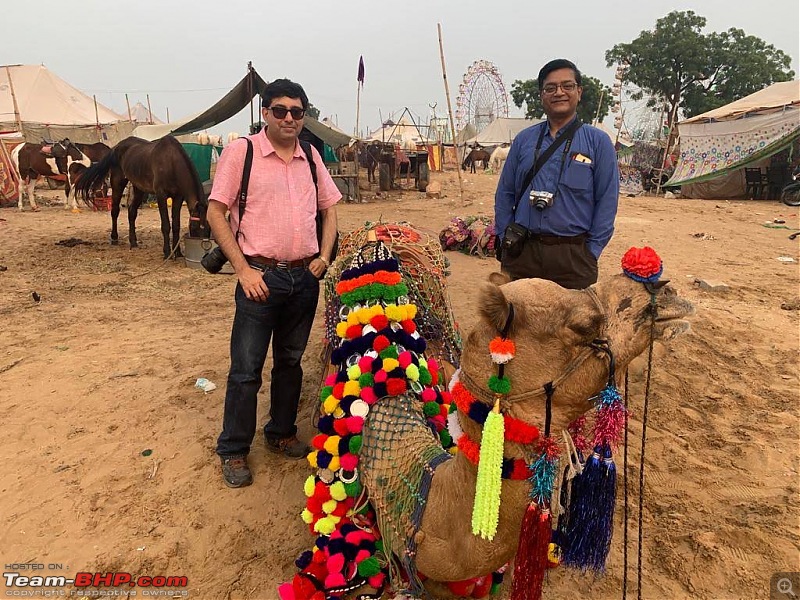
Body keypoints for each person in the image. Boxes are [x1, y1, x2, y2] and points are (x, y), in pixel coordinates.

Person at [208, 79, 341, 488]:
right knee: (246, 369)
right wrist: (243, 270)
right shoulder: (241, 152)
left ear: (304, 117)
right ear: (265, 112)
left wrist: (322, 257)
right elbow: (216, 213)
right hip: (258, 278)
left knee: (289, 362)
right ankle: (233, 450)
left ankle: (281, 433)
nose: (288, 118)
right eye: (280, 110)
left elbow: (330, 211)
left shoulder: (311, 158)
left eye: (297, 112)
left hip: (304, 279)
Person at [494, 59, 619, 289]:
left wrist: (591, 252)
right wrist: (504, 239)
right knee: (517, 323)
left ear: (579, 92)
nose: (559, 93)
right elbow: (505, 194)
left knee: (571, 325)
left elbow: (607, 201)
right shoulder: (524, 141)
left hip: (573, 258)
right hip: (523, 252)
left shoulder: (598, 142)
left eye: (567, 86)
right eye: (550, 88)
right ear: (542, 95)